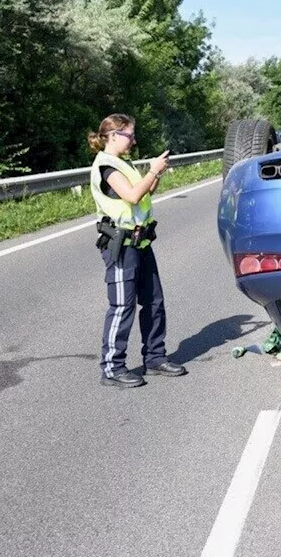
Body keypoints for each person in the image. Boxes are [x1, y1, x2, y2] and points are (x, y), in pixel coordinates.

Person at [87, 113, 187, 388]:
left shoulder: (123, 163)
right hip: (121, 246)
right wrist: (152, 170)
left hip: (141, 242)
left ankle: (155, 357)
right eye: (129, 135)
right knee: (122, 306)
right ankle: (112, 368)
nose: (133, 140)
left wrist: (157, 174)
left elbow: (143, 193)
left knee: (154, 302)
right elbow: (131, 196)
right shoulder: (107, 166)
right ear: (113, 135)